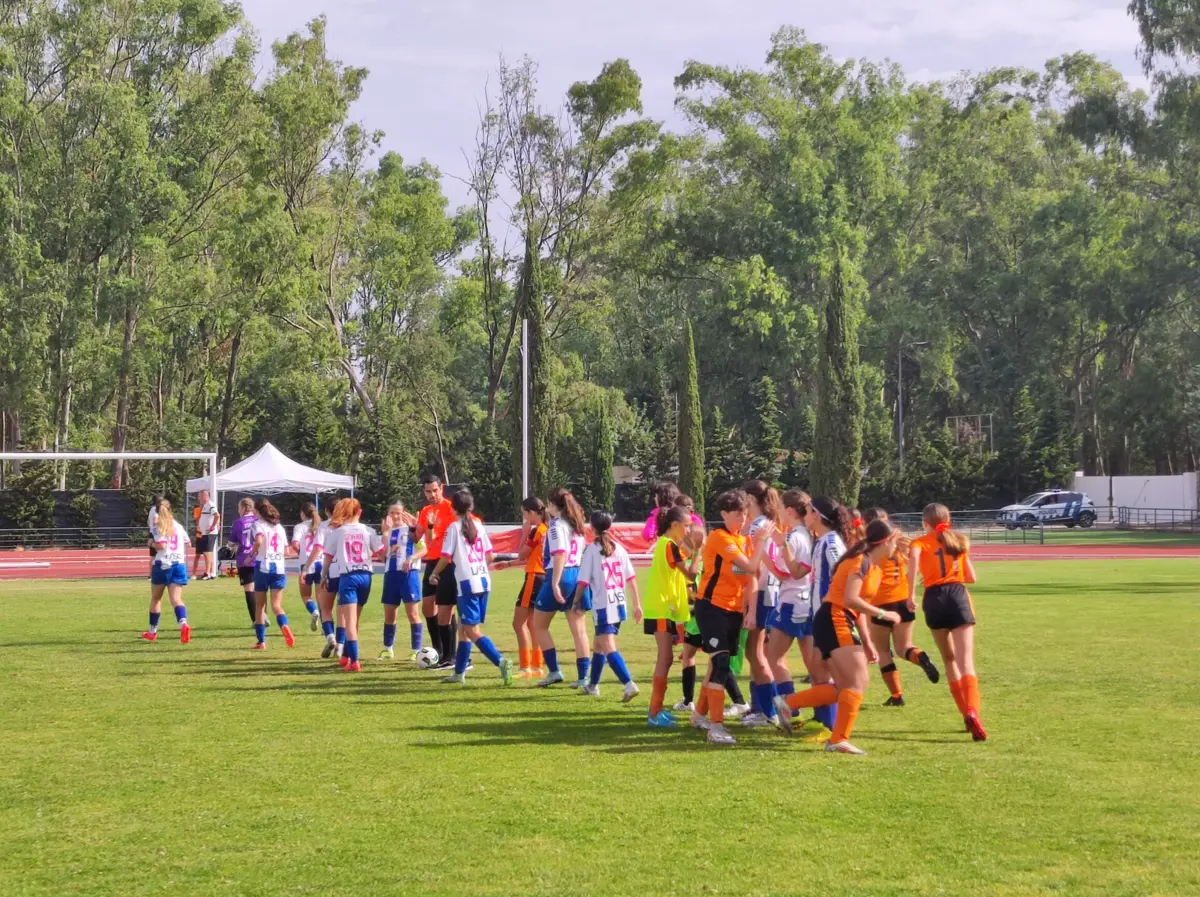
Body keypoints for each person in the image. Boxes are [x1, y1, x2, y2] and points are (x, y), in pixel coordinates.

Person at [774, 519, 902, 754]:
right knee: (857, 682)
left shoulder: (872, 566)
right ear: (886, 541)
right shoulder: (860, 561)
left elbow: (858, 606)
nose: (897, 545)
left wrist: (867, 641)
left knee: (845, 687)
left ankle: (788, 703)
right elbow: (852, 600)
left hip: (838, 618)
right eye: (895, 540)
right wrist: (885, 613)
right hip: (835, 618)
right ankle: (838, 739)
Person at [693, 490, 774, 746]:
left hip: (733, 611)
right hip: (712, 607)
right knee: (722, 664)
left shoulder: (743, 541)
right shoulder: (719, 538)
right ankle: (716, 727)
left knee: (716, 665)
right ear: (724, 515)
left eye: (745, 513)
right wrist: (761, 541)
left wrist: (750, 611)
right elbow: (751, 566)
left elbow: (752, 576)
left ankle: (698, 716)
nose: (742, 518)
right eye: (737, 514)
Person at [909, 503, 986, 741]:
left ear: (925, 522)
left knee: (949, 659)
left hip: (933, 597)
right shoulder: (959, 541)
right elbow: (971, 577)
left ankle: (964, 712)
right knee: (966, 662)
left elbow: (911, 569)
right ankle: (973, 712)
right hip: (957, 595)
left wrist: (910, 595)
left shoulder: (918, 543)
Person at [429, 488, 513, 685]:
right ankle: (459, 673)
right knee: (464, 629)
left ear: (453, 508)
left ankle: (500, 661)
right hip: (483, 581)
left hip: (467, 584)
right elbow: (490, 556)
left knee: (472, 630)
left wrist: (434, 573)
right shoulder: (478, 525)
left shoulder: (454, 528)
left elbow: (446, 557)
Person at [863, 508, 940, 706]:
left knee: (883, 652)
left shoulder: (871, 548)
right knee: (904, 647)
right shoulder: (901, 542)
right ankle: (920, 656)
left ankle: (896, 695)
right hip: (903, 599)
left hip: (881, 603)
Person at [641, 505, 700, 726]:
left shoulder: (669, 545)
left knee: (665, 659)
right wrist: (697, 553)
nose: (688, 530)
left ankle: (657, 710)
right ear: (673, 525)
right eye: (685, 526)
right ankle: (654, 713)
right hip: (660, 608)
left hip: (664, 608)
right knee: (664, 658)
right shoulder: (669, 546)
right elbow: (691, 573)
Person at [764, 491, 818, 730]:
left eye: (781, 509)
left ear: (789, 511)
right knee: (813, 664)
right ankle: (822, 716)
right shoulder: (807, 533)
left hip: (791, 603)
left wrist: (762, 555)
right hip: (808, 602)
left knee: (773, 657)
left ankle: (790, 704)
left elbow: (787, 573)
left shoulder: (794, 537)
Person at [802, 495, 855, 737]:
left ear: (817, 515)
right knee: (818, 670)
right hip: (819, 616)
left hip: (831, 616)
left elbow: (842, 577)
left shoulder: (831, 543)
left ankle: (832, 727)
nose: (805, 516)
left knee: (832, 674)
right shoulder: (822, 540)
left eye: (807, 511)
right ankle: (823, 722)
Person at [577, 510, 641, 702]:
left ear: (592, 527)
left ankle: (629, 684)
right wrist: (637, 604)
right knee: (598, 645)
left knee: (607, 646)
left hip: (604, 605)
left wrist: (575, 602)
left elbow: (583, 581)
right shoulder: (619, 548)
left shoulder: (592, 550)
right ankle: (593, 686)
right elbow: (631, 578)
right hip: (619, 603)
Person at [531, 487, 589, 688]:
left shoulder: (556, 525)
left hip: (562, 574)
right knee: (579, 630)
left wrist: (555, 582)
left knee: (539, 625)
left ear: (554, 505)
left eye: (548, 503)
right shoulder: (577, 525)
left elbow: (559, 554)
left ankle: (554, 670)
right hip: (578, 574)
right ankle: (583, 678)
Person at [741, 479, 785, 728]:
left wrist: (734, 567)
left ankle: (768, 711)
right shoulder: (767, 523)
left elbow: (752, 565)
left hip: (761, 593)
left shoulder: (757, 526)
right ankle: (759, 707)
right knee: (757, 653)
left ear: (750, 499)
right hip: (770, 592)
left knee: (756, 653)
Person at [322, 498, 382, 672]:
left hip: (348, 577)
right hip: (366, 576)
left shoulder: (338, 532)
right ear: (359, 512)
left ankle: (354, 661)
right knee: (355, 620)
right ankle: (346, 656)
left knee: (350, 621)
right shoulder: (368, 530)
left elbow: (328, 557)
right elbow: (381, 554)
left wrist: (324, 575)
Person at [415, 475, 459, 669]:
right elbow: (424, 538)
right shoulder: (425, 511)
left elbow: (445, 536)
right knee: (427, 607)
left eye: (435, 490)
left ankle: (451, 653)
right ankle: (438, 650)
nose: (432, 495)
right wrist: (412, 526)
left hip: (447, 562)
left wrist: (431, 528)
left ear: (442, 488)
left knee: (446, 609)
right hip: (431, 562)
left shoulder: (450, 508)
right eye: (428, 491)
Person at [380, 500, 426, 661]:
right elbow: (382, 556)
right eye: (392, 513)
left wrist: (411, 558)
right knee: (389, 614)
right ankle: (387, 649)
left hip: (409, 575)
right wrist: (385, 534)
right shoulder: (387, 532)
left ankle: (416, 650)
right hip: (391, 574)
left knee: (413, 614)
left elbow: (423, 549)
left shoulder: (411, 530)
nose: (395, 516)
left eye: (398, 512)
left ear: (404, 513)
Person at [141, 500, 191, 644]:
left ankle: (152, 632)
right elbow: (188, 542)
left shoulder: (158, 526)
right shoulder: (179, 526)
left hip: (163, 565)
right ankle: (183, 624)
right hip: (179, 564)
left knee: (156, 599)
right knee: (176, 599)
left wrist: (151, 543)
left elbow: (161, 545)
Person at [251, 500, 294, 651]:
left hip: (263, 566)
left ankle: (261, 641)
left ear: (257, 511)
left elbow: (259, 540)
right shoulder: (280, 528)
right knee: (277, 605)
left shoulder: (258, 524)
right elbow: (287, 551)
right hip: (279, 569)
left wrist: (252, 554)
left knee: (260, 606)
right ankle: (284, 625)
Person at [513, 497, 548, 678]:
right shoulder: (547, 529)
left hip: (534, 577)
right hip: (543, 576)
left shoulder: (536, 531)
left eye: (525, 515)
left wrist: (525, 533)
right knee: (533, 624)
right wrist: (507, 564)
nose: (525, 519)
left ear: (532, 513)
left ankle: (525, 667)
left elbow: (522, 555)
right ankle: (537, 666)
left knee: (518, 624)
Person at [309, 498, 340, 658]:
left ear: (327, 512)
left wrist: (307, 567)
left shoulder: (325, 526)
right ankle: (340, 645)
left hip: (330, 569)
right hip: (349, 572)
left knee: (325, 608)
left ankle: (330, 637)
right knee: (344, 610)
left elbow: (319, 547)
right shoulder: (350, 525)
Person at [291, 502, 324, 632]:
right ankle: (325, 625)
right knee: (322, 596)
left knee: (305, 595)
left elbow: (294, 543)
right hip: (321, 562)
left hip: (306, 564)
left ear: (303, 513)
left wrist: (301, 553)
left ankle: (314, 611)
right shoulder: (322, 526)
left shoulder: (300, 527)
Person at [230, 498, 259, 625]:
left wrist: (232, 547)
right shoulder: (258, 520)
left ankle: (256, 619)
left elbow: (231, 543)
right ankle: (263, 615)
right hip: (259, 558)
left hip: (244, 559)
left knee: (249, 590)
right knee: (261, 589)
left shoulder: (239, 523)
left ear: (242, 508)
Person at [191, 489, 220, 581]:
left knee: (207, 553)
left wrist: (212, 526)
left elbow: (217, 515)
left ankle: (207, 573)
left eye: (200, 496)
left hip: (209, 533)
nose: (199, 498)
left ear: (205, 496)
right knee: (208, 552)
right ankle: (209, 573)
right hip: (204, 533)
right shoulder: (205, 506)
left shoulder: (210, 505)